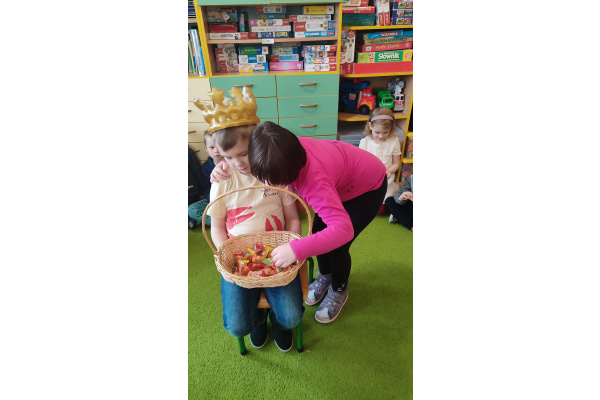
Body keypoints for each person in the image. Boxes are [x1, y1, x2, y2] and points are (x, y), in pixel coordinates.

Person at [212, 121, 387, 324]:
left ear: (289, 176)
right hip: (340, 177)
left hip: (366, 188)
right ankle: (325, 276)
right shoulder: (276, 146)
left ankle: (339, 289)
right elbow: (245, 143)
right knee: (319, 231)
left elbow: (343, 230)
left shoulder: (313, 182)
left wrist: (297, 249)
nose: (265, 183)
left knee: (337, 246)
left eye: (271, 180)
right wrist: (223, 165)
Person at [198, 87, 304, 352]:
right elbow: (217, 226)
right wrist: (227, 257)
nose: (237, 163)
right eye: (228, 156)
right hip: (239, 257)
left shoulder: (273, 170)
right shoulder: (222, 179)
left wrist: (292, 247)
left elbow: (293, 218)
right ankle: (258, 321)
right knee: (238, 326)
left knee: (291, 317)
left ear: (256, 144)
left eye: (243, 153)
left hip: (279, 253)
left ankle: (278, 324)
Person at [359, 107, 401, 215]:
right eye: (377, 132)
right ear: (370, 126)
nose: (381, 136)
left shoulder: (394, 141)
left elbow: (396, 163)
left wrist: (389, 171)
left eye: (385, 132)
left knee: (382, 209)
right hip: (369, 180)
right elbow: (360, 164)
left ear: (391, 128)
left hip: (386, 181)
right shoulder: (365, 142)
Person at [188, 131, 222, 228]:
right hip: (213, 200)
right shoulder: (206, 167)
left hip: (232, 200)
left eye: (219, 146)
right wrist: (212, 199)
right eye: (212, 147)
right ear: (206, 148)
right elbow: (206, 188)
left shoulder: (233, 163)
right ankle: (221, 223)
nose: (216, 151)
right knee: (191, 209)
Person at [188, 146, 205, 229]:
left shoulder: (188, 151)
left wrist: (202, 192)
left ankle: (192, 220)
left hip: (191, 192)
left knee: (192, 209)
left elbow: (197, 171)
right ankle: (192, 220)